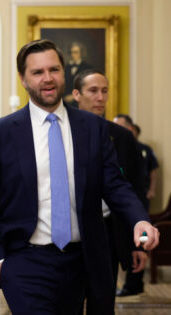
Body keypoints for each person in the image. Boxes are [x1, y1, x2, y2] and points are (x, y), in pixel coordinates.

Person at [0, 39, 159, 315]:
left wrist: (140, 218)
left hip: (81, 261)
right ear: (23, 79)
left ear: (63, 73)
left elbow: (115, 185)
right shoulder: (0, 133)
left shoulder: (92, 128)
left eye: (54, 70)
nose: (48, 79)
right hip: (24, 260)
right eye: (37, 72)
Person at [72, 69, 148, 312]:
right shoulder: (61, 133)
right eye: (93, 91)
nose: (100, 97)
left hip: (108, 233)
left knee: (103, 304)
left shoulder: (122, 138)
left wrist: (140, 244)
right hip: (69, 231)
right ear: (76, 94)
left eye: (104, 91)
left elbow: (136, 192)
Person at [113, 114, 158, 297]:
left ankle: (135, 282)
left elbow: (152, 171)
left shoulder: (142, 149)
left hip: (138, 199)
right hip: (121, 201)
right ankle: (131, 282)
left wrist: (151, 190)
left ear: (130, 129)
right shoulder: (115, 146)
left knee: (141, 238)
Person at [133, 123, 159, 207]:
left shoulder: (146, 149)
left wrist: (152, 189)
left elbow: (153, 170)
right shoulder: (117, 148)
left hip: (142, 192)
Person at [63, 41, 93, 107]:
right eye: (71, 52)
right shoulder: (64, 68)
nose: (73, 55)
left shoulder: (88, 68)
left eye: (75, 52)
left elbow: (89, 87)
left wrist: (74, 97)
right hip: (65, 103)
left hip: (81, 103)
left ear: (81, 53)